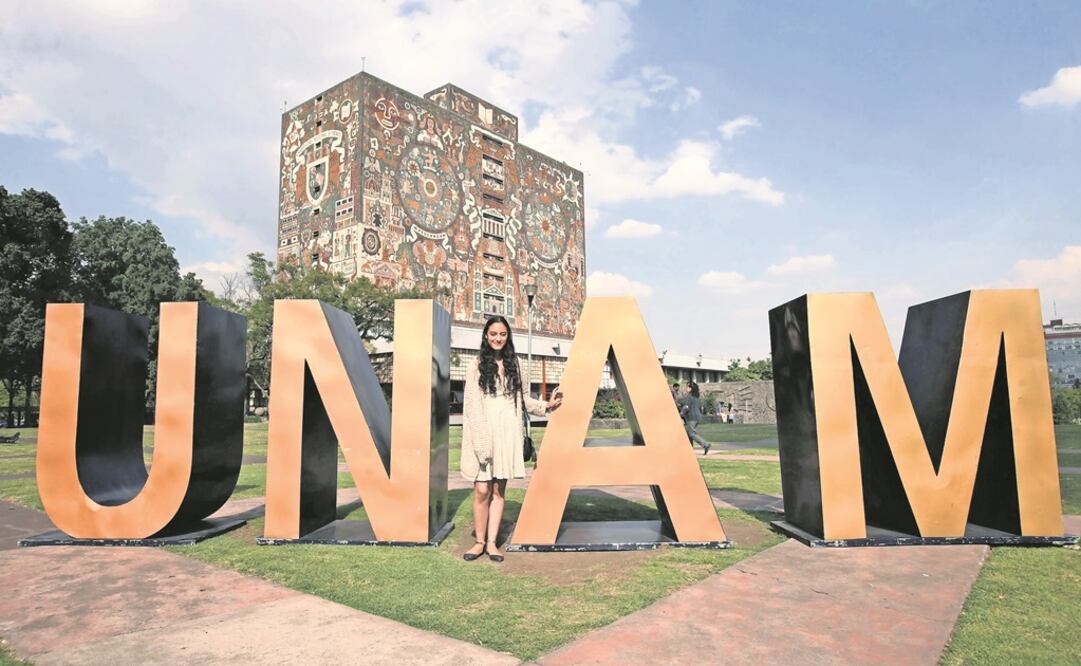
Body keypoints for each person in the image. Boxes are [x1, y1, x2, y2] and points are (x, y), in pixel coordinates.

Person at [460, 315, 562, 562]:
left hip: (507, 433)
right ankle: (479, 543)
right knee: (482, 489)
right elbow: (471, 405)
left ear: (508, 336)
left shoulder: (515, 363)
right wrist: (481, 442)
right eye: (494, 334)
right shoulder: (475, 365)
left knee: (498, 490)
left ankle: (492, 543)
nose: (498, 338)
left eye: (502, 334)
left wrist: (545, 406)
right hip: (484, 432)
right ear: (486, 335)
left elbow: (523, 398)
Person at [680, 381, 711, 455]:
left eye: (687, 387)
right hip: (697, 417)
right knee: (687, 433)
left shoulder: (689, 397)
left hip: (692, 417)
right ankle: (689, 449)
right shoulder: (696, 397)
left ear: (691, 388)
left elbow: (686, 407)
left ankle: (705, 445)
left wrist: (681, 413)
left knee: (691, 433)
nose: (686, 388)